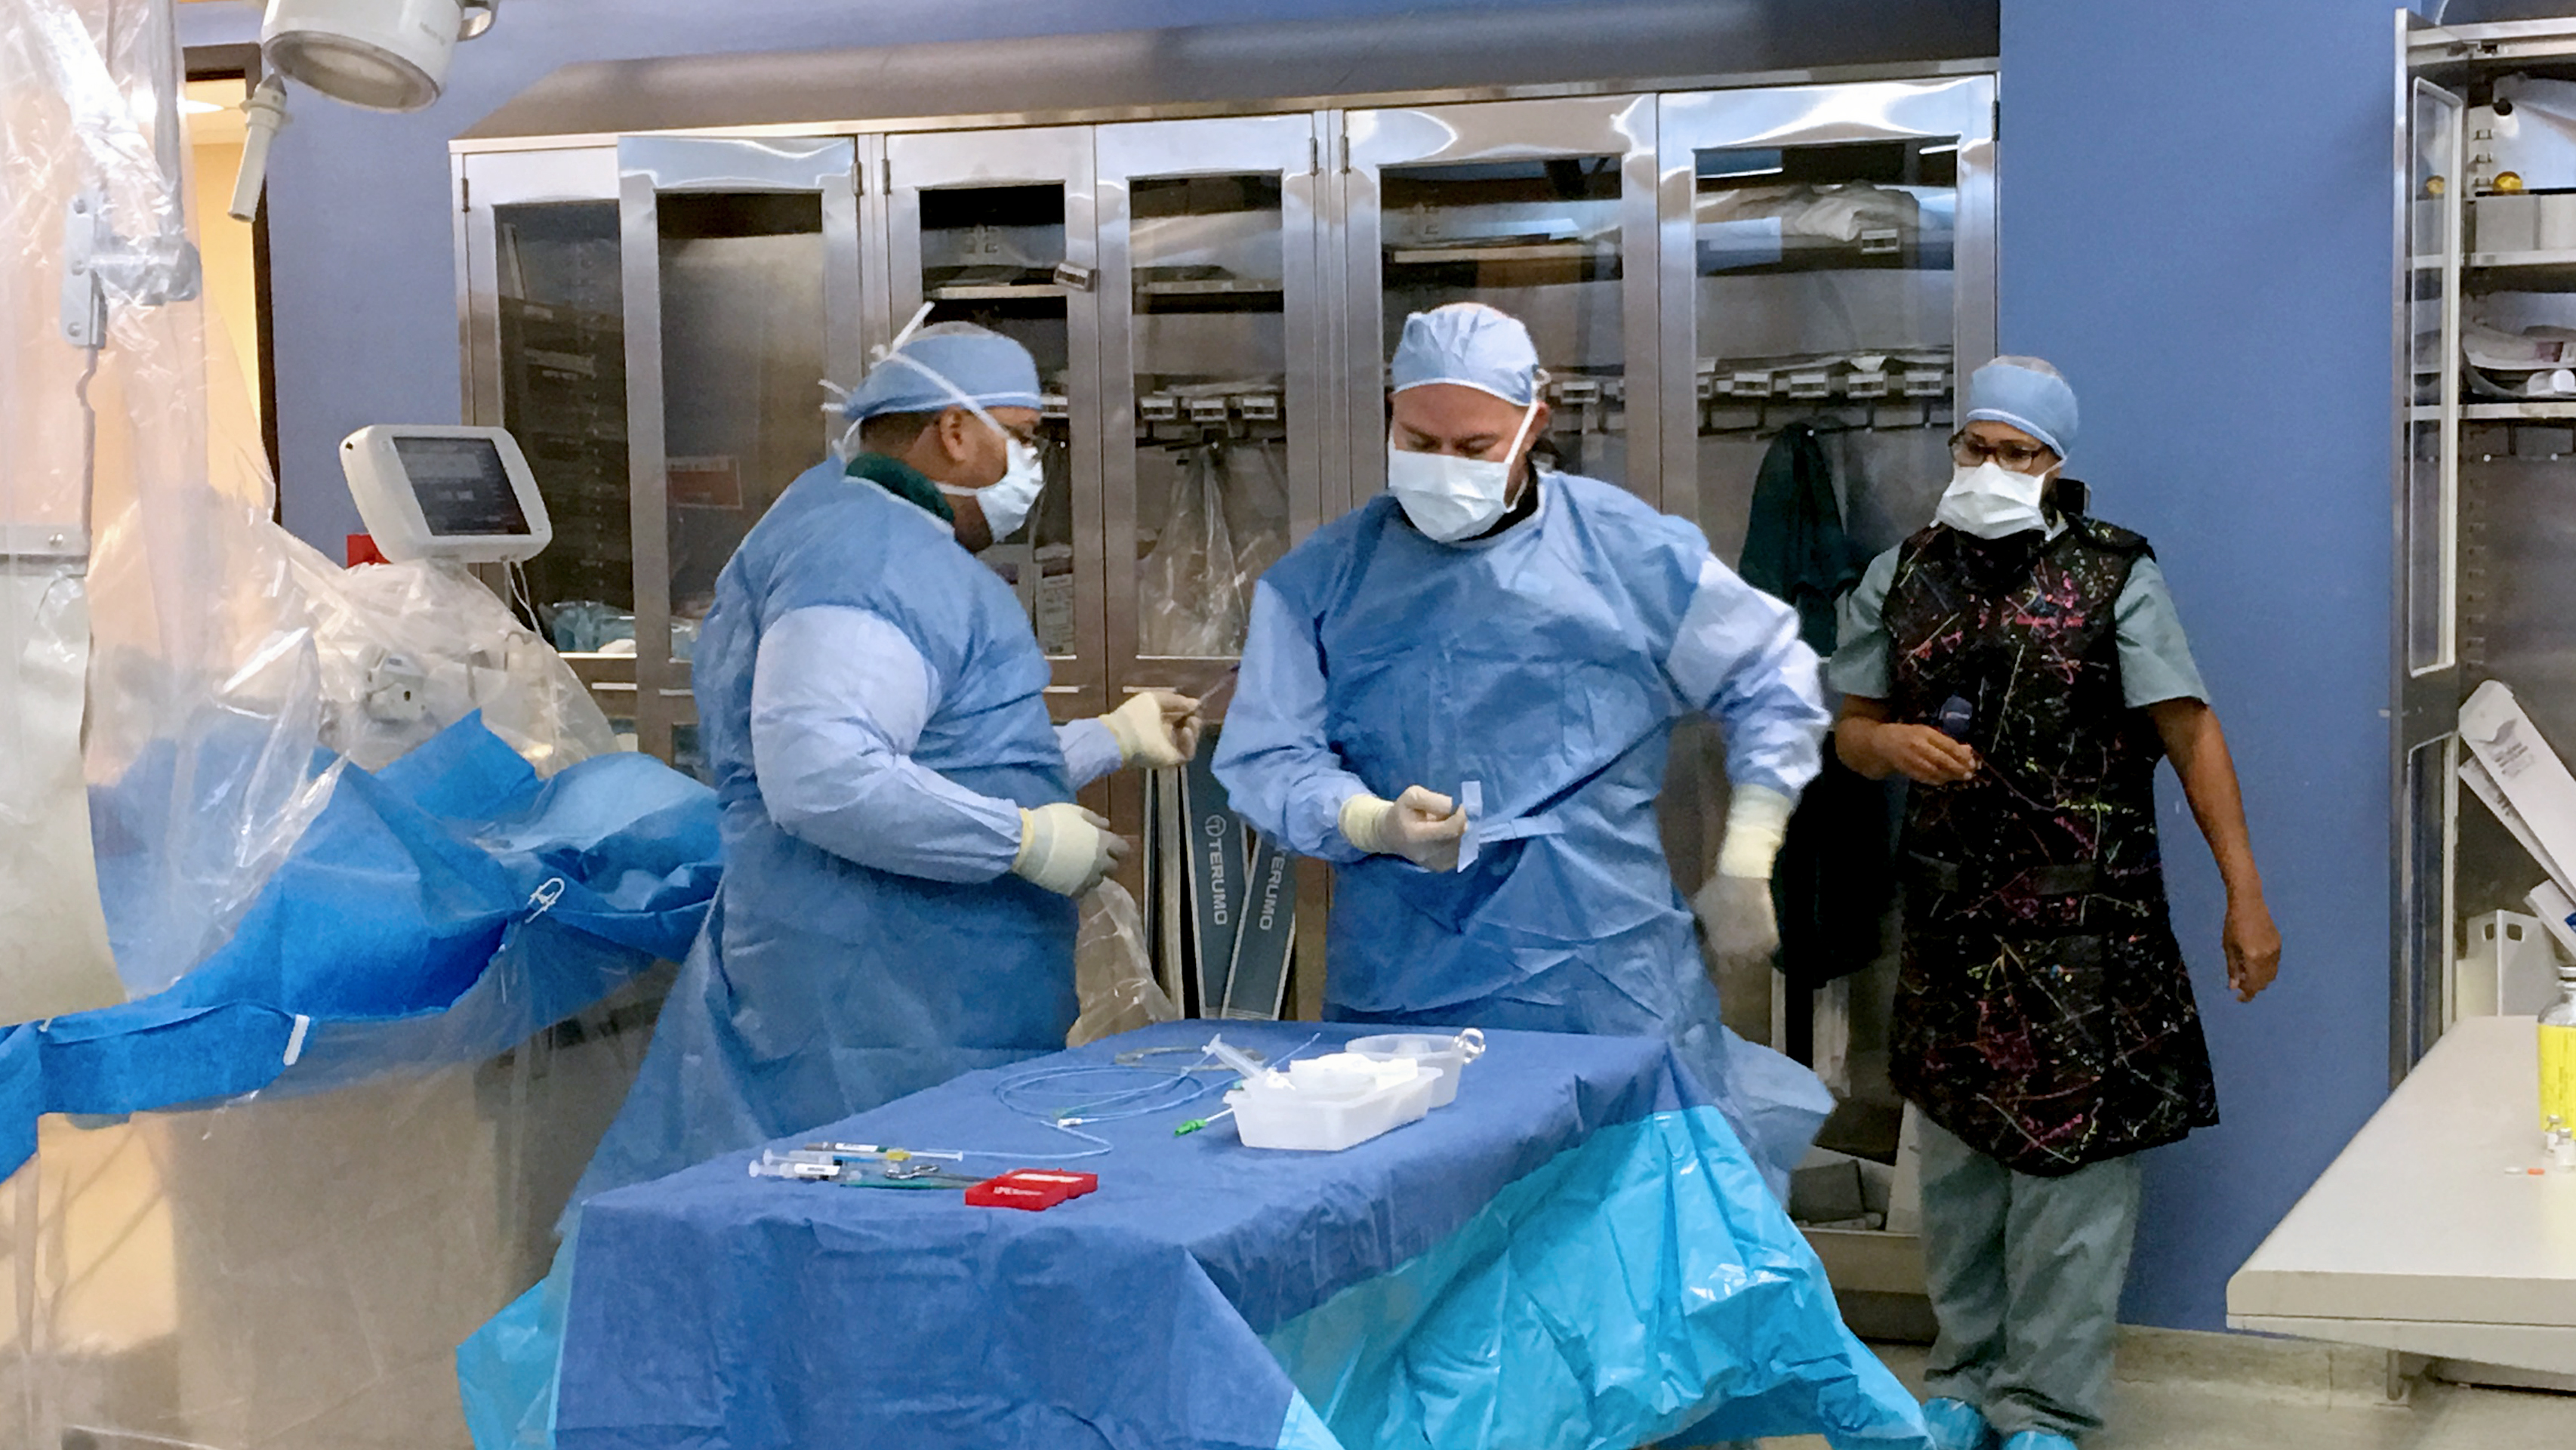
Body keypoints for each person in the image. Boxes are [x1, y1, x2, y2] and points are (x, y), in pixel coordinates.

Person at [569, 321, 1203, 1206]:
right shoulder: (866, 556)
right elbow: (824, 777)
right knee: (863, 1234)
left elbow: (945, 762)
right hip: (875, 1004)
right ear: (956, 431)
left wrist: (1113, 738)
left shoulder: (876, 539)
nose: (1033, 466)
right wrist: (1021, 841)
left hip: (913, 992)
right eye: (1024, 439)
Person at [1213, 301, 1836, 1186]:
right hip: (1402, 984)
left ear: (1532, 426)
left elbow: (1771, 675)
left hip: (1602, 966)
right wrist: (1368, 821)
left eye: (1474, 447)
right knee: (1427, 1224)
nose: (1443, 466)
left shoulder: (1622, 551)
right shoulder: (1325, 579)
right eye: (1418, 440)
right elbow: (1268, 754)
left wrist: (1747, 855)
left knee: (1631, 1214)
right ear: (1390, 415)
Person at [1826, 356, 2282, 1450]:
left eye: (2016, 453)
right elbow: (1851, 729)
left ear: (2056, 464)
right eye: (1975, 448)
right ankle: (1962, 1382)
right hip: (1954, 926)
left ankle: (2046, 1409)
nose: (1989, 468)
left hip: (2085, 928)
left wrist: (2245, 893)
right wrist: (1888, 745)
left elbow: (2189, 731)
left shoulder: (2113, 574)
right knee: (1960, 1172)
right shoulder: (1902, 575)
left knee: (2072, 1183)